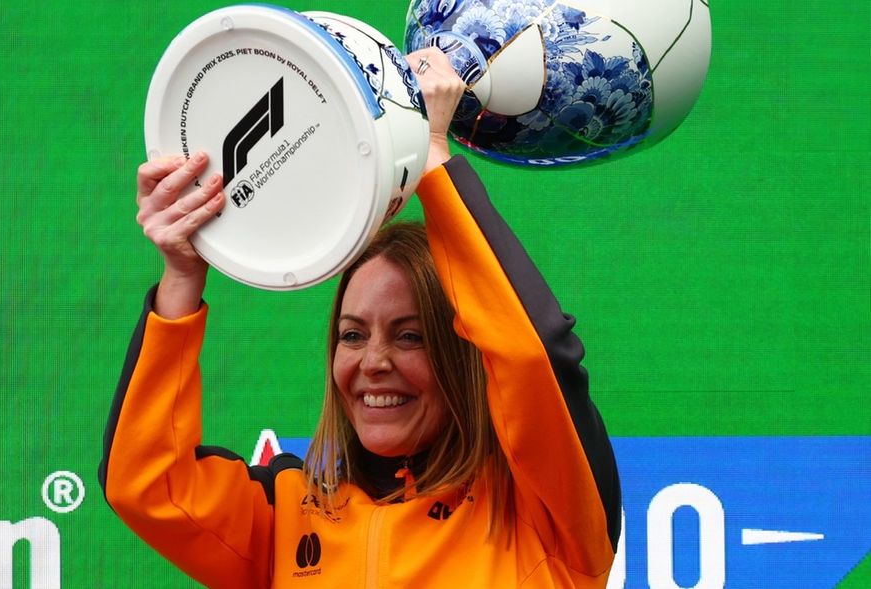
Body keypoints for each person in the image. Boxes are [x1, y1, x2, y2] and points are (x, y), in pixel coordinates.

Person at [99, 48, 621, 588]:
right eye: (352, 335)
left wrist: (432, 161)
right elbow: (146, 484)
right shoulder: (284, 515)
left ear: (466, 350)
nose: (373, 362)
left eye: (410, 336)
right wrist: (183, 275)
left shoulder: (540, 515)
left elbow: (532, 354)